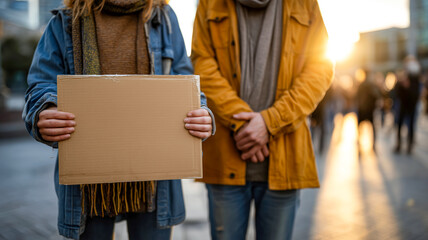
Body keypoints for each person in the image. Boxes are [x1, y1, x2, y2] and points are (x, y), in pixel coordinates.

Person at [22, 0, 215, 239]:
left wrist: (202, 113)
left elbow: (185, 83)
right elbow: (40, 85)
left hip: (154, 182)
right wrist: (44, 111)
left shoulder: (163, 17)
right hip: (88, 188)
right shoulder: (64, 21)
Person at [191, 0, 333, 239]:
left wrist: (270, 122)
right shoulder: (210, 2)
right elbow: (201, 63)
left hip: (284, 160)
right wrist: (246, 125)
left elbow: (320, 68)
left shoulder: (305, 3)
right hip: (226, 159)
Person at [394, 56, 421, 154]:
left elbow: (416, 93)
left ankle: (410, 146)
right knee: (399, 125)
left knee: (411, 126)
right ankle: (399, 145)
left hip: (411, 105)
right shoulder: (402, 76)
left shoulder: (415, 78)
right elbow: (397, 91)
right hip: (402, 104)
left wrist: (408, 86)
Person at [356, 69, 381, 151]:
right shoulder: (371, 85)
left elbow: (356, 96)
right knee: (372, 127)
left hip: (362, 109)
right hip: (369, 109)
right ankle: (373, 144)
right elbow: (376, 95)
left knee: (360, 127)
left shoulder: (361, 85)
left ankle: (359, 144)